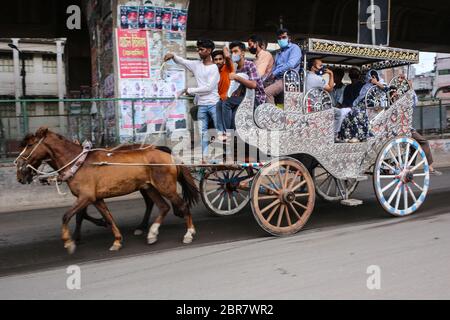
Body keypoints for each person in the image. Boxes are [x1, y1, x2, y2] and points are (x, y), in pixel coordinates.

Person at [164, 39, 220, 159]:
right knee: (202, 133)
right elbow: (183, 61)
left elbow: (209, 88)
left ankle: (220, 155)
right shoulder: (196, 65)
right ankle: (205, 157)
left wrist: (189, 90)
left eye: (201, 49)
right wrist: (173, 55)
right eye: (198, 49)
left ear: (209, 51)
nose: (198, 51)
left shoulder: (214, 68)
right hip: (201, 105)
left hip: (214, 104)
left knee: (219, 131)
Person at [217, 41, 266, 135]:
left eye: (236, 51)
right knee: (220, 103)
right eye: (232, 52)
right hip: (243, 98)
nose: (233, 54)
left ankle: (229, 134)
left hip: (255, 99)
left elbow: (253, 85)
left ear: (242, 53)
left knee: (227, 104)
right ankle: (222, 131)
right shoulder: (237, 68)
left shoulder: (249, 65)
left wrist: (236, 77)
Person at [405, 77, 442, 175]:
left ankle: (409, 167)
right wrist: (410, 87)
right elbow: (414, 101)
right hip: (406, 128)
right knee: (424, 142)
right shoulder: (407, 98)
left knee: (413, 145)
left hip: (401, 127)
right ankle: (430, 167)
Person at [339, 70, 385, 142]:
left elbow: (386, 89)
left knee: (356, 114)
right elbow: (359, 98)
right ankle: (348, 135)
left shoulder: (381, 84)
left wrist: (376, 83)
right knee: (349, 114)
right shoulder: (366, 86)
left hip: (374, 107)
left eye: (373, 77)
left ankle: (358, 136)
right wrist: (353, 105)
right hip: (362, 106)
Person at [264, 28, 302, 104]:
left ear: (289, 38)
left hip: (288, 79)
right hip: (278, 79)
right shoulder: (279, 52)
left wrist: (275, 73)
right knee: (259, 90)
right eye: (279, 38)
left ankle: (272, 115)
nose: (281, 40)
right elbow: (274, 68)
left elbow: (291, 64)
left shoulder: (294, 48)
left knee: (266, 93)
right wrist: (264, 79)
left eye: (284, 37)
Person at [212, 48, 235, 139]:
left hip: (229, 97)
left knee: (222, 104)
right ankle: (221, 134)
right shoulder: (213, 71)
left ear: (223, 60)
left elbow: (229, 60)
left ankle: (228, 133)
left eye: (220, 59)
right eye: (216, 59)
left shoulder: (227, 67)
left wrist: (227, 55)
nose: (218, 61)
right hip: (219, 98)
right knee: (217, 105)